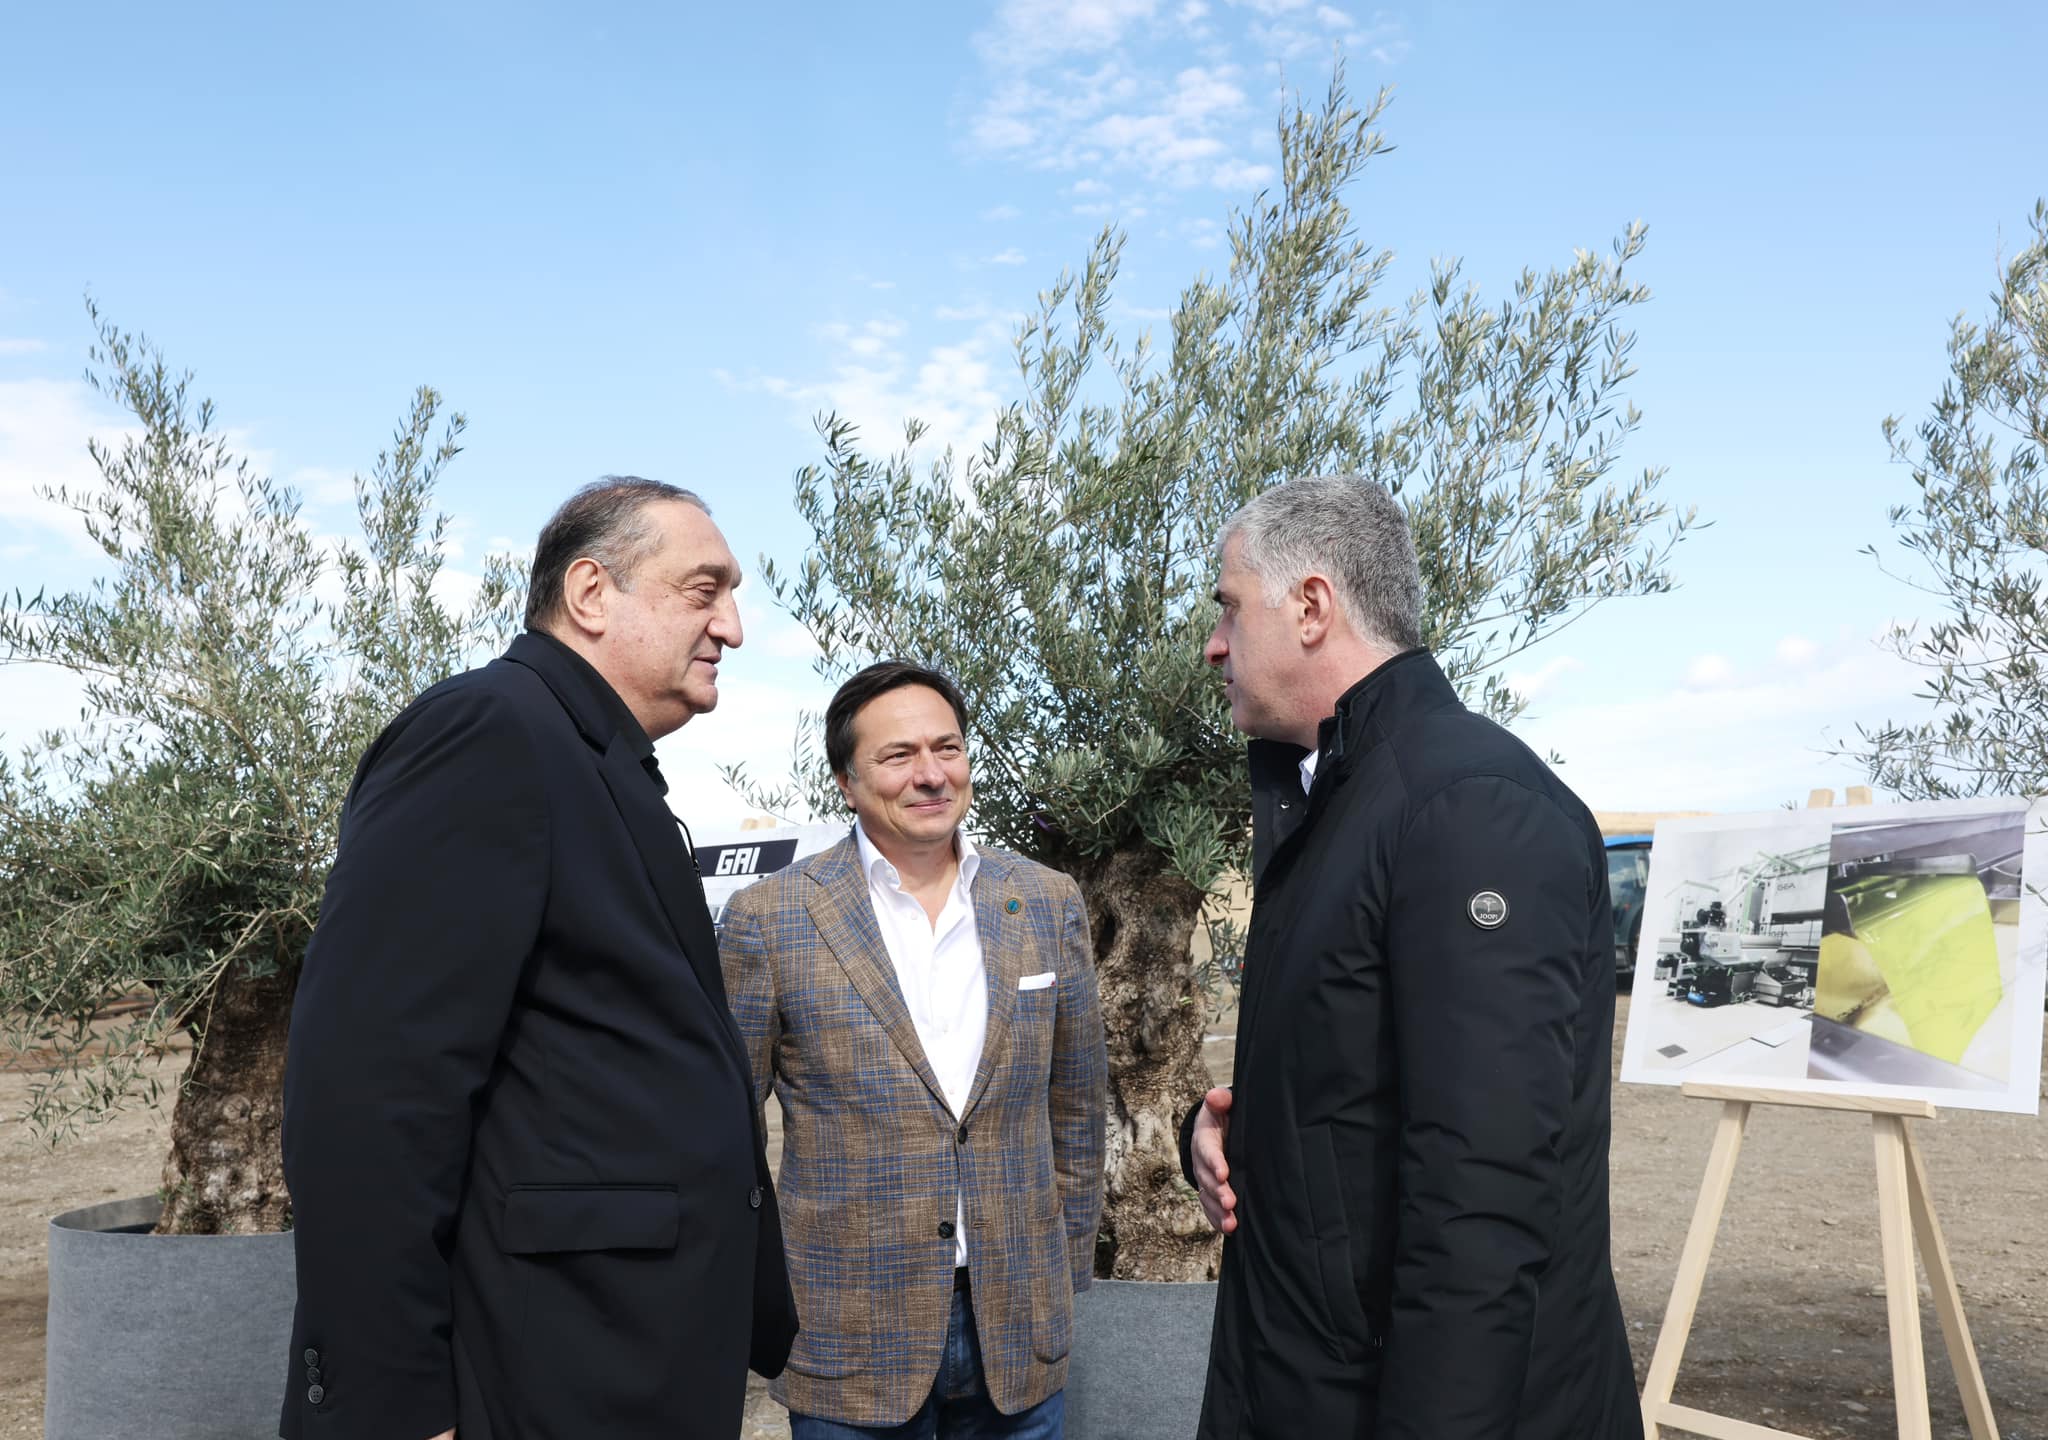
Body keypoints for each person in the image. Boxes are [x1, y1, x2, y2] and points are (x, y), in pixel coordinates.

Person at [278, 477, 796, 1440]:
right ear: (591, 593)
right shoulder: (489, 733)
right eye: (705, 590)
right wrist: (395, 1405)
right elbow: (368, 1092)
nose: (732, 626)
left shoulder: (591, 757)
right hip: (539, 1373)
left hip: (620, 1356)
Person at [1180, 476, 1641, 1439]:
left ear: (1311, 607)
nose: (1215, 644)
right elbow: (1358, 1087)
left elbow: (1483, 1204)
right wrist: (1228, 1132)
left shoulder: (1467, 807)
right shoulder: (1341, 802)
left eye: (1229, 607)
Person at [721, 661, 1107, 1440]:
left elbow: (1077, 1106)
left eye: (947, 748)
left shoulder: (1046, 900)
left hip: (1019, 1332)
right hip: (847, 1339)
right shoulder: (771, 919)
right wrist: (758, 1287)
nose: (931, 775)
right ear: (846, 781)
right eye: (898, 755)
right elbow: (725, 1130)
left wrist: (1062, 1271)